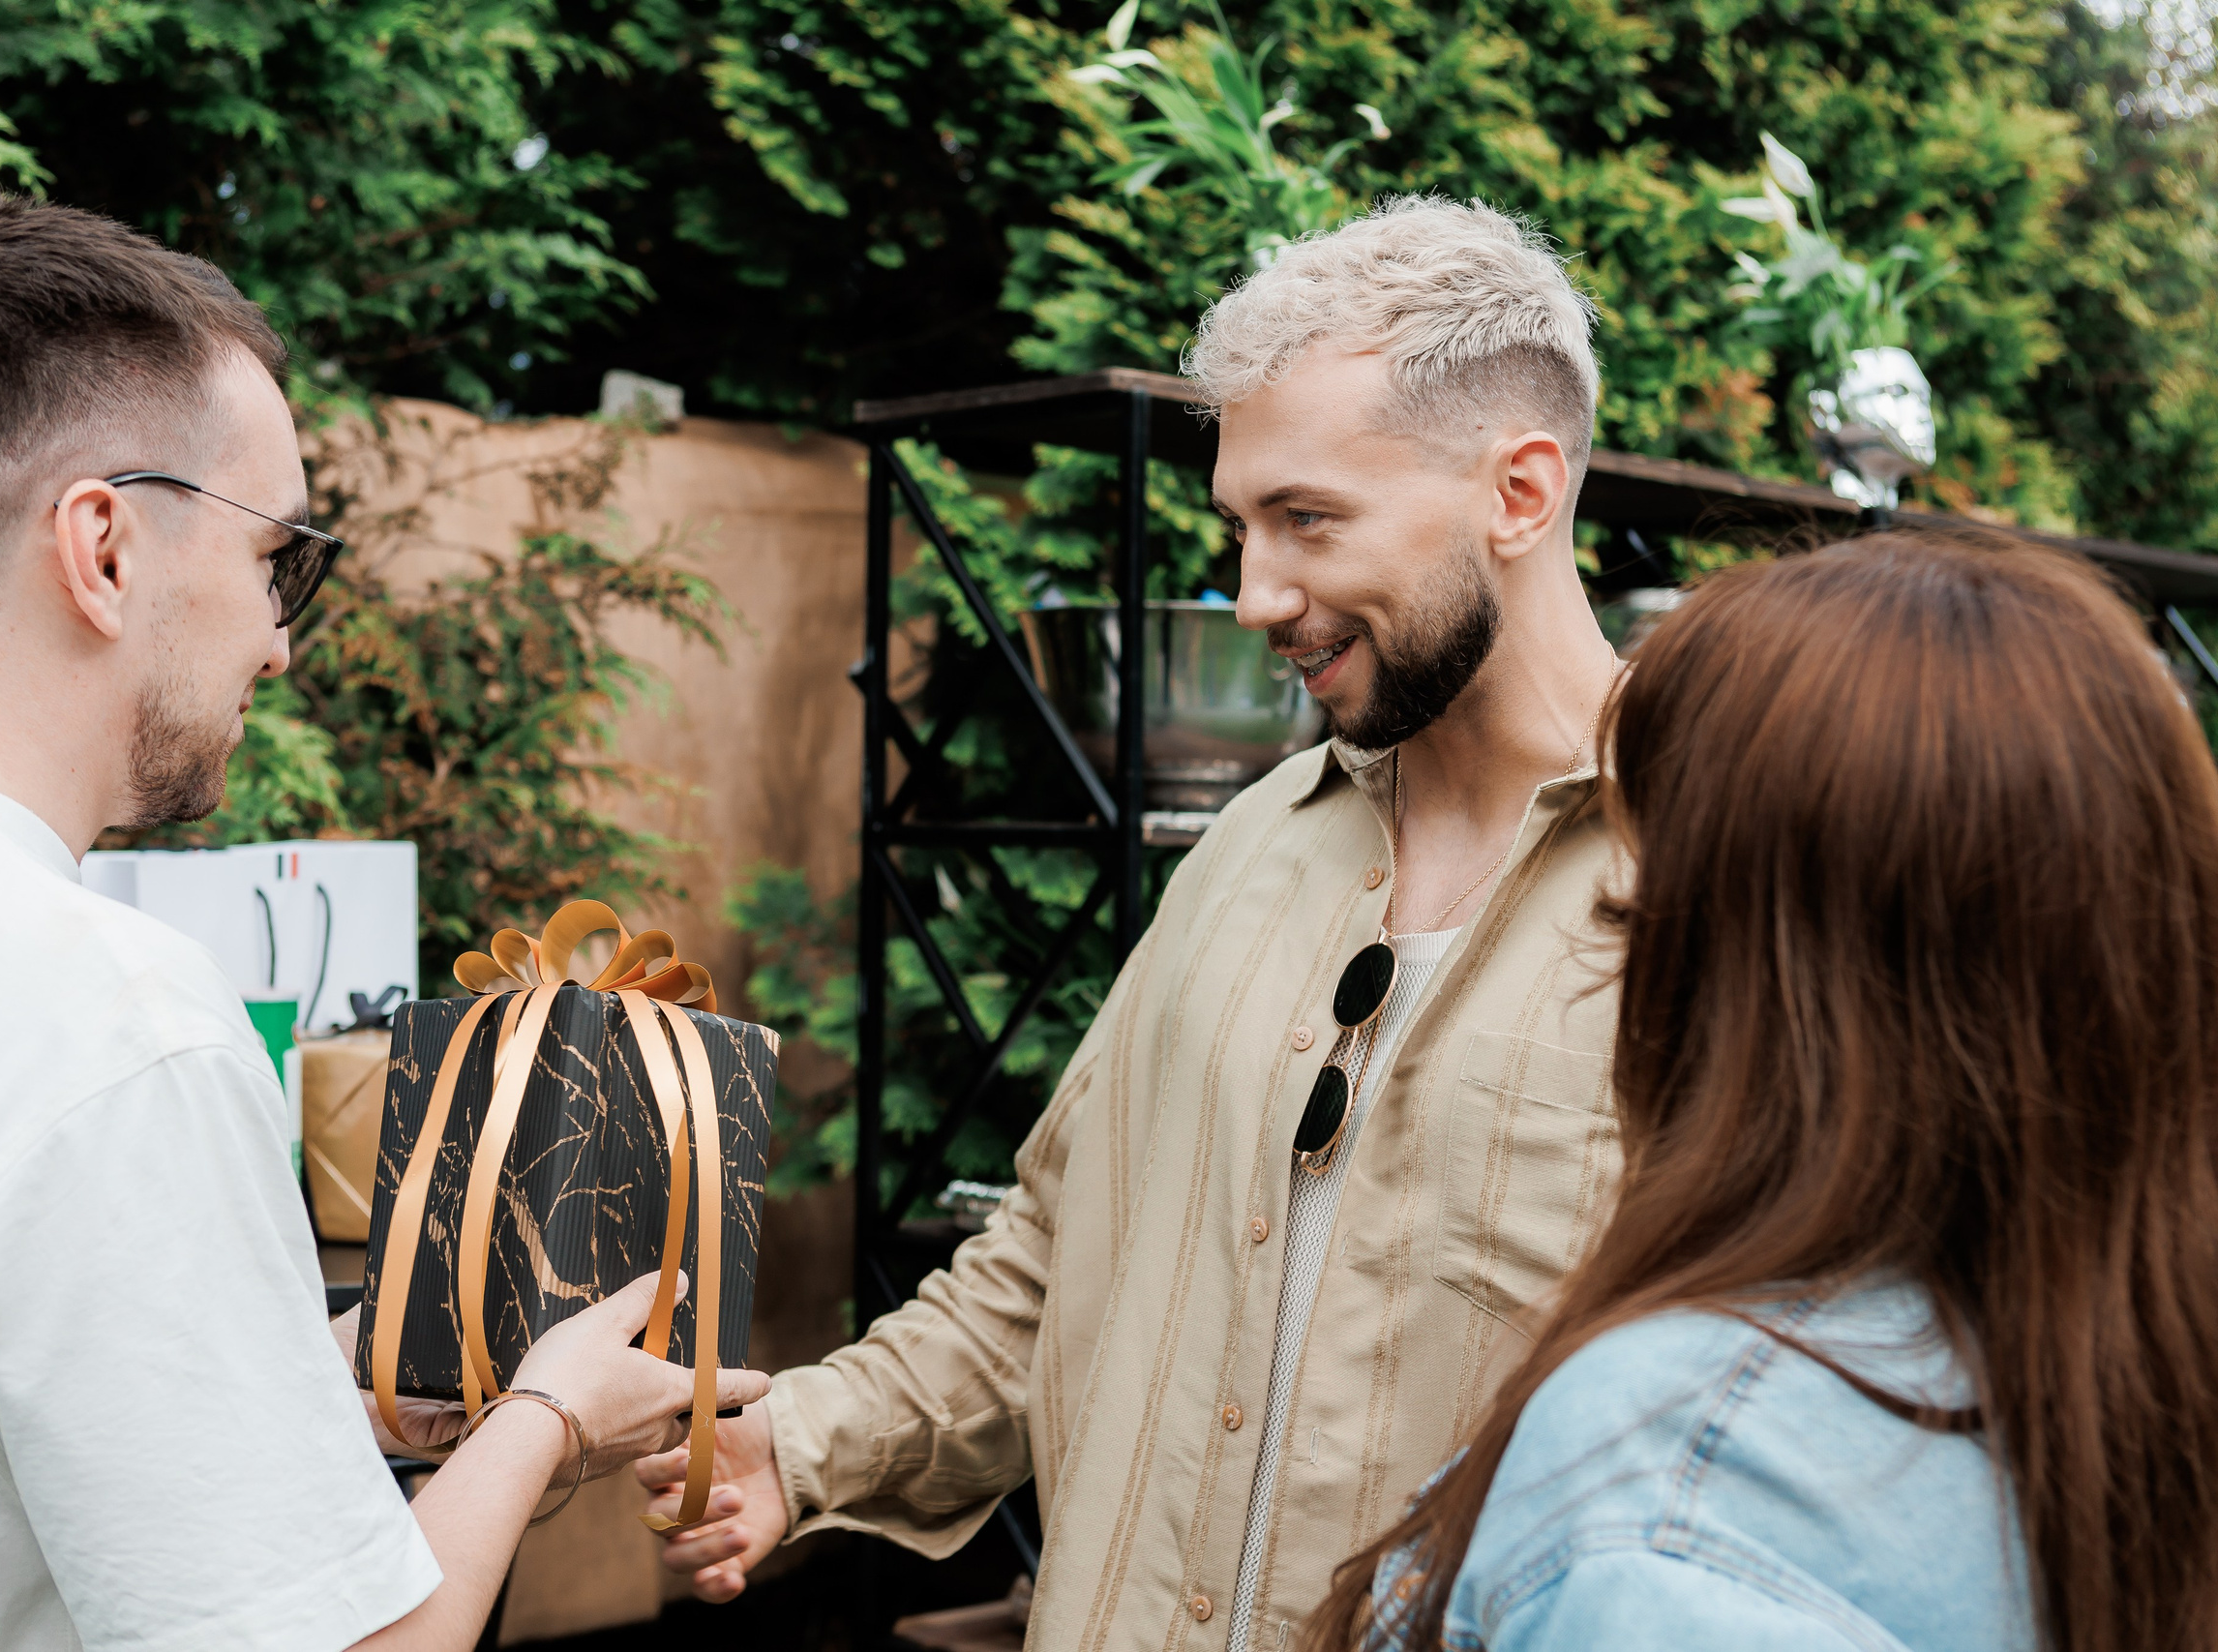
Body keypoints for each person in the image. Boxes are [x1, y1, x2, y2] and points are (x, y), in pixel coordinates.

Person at [0, 188, 765, 1651]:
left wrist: (334, 1370)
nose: (281, 638)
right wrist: (542, 1416)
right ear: (102, 547)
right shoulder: (102, 1015)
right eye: (273, 553)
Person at [640, 195, 1630, 1652]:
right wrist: (803, 1440)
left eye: (1307, 519)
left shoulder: (1724, 886)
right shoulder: (1247, 850)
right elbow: (1062, 1256)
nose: (1252, 594)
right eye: (1240, 524)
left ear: (1521, 492)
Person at [1317, 533, 2218, 1652]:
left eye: (1643, 897)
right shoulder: (2134, 1358)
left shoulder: (1670, 1482)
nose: (1617, 948)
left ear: (1746, 969)